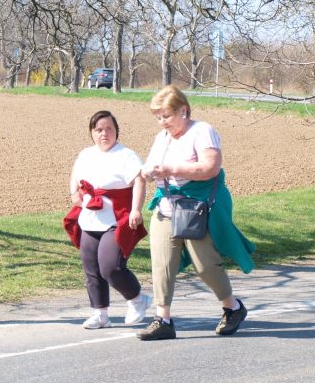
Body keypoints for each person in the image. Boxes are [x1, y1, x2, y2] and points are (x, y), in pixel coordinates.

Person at [138, 85, 255, 341]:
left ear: (183, 109)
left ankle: (232, 307)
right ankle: (163, 320)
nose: (162, 122)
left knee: (205, 266)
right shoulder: (163, 138)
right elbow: (151, 164)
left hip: (197, 208)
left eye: (166, 115)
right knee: (162, 265)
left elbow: (211, 168)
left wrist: (172, 169)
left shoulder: (202, 131)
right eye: (158, 117)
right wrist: (148, 172)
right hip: (166, 208)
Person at [63, 111, 152, 329]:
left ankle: (138, 300)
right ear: (92, 133)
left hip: (117, 218)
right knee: (91, 269)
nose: (104, 134)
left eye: (109, 129)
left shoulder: (127, 155)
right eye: (99, 130)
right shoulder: (86, 154)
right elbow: (75, 174)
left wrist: (136, 210)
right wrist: (74, 193)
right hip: (90, 218)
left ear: (116, 131)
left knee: (110, 267)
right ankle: (100, 314)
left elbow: (139, 182)